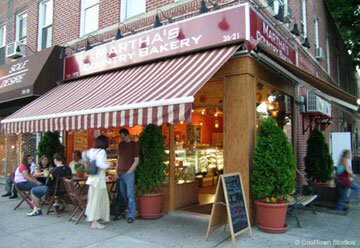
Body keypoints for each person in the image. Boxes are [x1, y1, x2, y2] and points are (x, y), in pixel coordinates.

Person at [82, 135, 110, 229]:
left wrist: (88, 162)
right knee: (97, 200)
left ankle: (97, 217)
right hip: (98, 180)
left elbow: (83, 155)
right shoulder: (102, 152)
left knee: (96, 199)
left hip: (92, 179)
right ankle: (94, 222)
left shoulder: (92, 150)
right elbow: (100, 164)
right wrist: (108, 165)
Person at [117, 128, 139, 223]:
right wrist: (116, 171)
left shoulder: (134, 145)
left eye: (123, 137)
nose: (121, 138)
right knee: (122, 194)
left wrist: (129, 172)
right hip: (120, 173)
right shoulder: (120, 145)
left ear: (127, 135)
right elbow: (118, 158)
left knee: (130, 194)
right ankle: (122, 212)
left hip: (128, 173)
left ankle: (131, 215)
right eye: (120, 137)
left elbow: (136, 160)